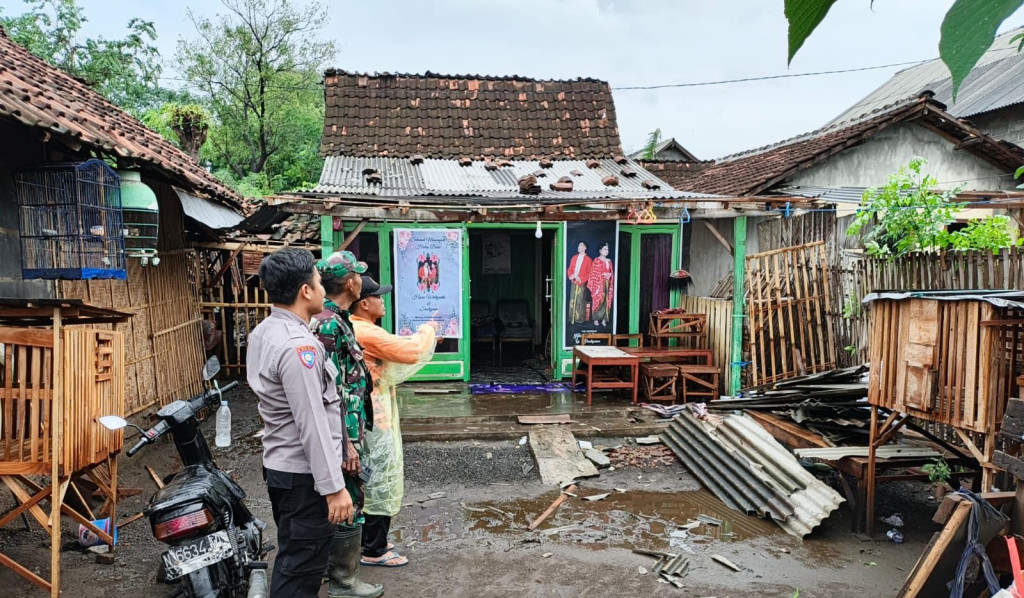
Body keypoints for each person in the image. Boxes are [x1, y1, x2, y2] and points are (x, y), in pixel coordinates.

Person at [246, 248, 354, 598]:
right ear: (305, 291)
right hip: (304, 477)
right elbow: (312, 422)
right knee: (300, 569)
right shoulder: (297, 348)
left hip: (283, 470)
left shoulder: (265, 332)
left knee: (296, 556)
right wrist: (334, 488)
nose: (323, 288)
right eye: (319, 281)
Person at [349, 275, 438, 567]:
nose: (383, 301)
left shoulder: (360, 327)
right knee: (378, 480)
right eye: (379, 297)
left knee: (374, 478)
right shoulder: (364, 331)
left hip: (374, 413)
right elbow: (409, 350)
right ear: (364, 303)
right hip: (375, 418)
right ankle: (373, 550)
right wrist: (429, 329)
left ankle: (372, 542)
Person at [311, 251, 384, 598]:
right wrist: (346, 442)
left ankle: (338, 575)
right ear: (351, 283)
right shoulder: (327, 323)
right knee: (350, 500)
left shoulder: (338, 319)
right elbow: (327, 389)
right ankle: (344, 582)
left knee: (349, 498)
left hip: (350, 427)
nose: (361, 281)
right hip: (343, 433)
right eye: (358, 276)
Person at [588, 242, 614, 327]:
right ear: (600, 250)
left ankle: (604, 320)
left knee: (607, 300)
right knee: (599, 300)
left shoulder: (609, 261)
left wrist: (610, 275)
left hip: (608, 284)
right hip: (599, 284)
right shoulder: (597, 260)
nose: (606, 251)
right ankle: (596, 319)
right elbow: (593, 273)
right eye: (604, 249)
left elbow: (611, 273)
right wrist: (603, 275)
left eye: (607, 249)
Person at [567, 241, 592, 325]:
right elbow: (570, 269)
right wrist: (572, 275)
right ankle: (571, 318)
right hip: (574, 281)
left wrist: (581, 278)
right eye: (578, 245)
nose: (579, 247)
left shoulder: (588, 260)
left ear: (585, 248)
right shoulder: (574, 257)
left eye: (581, 245)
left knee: (580, 300)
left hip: (581, 283)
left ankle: (580, 319)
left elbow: (589, 273)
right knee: (572, 299)